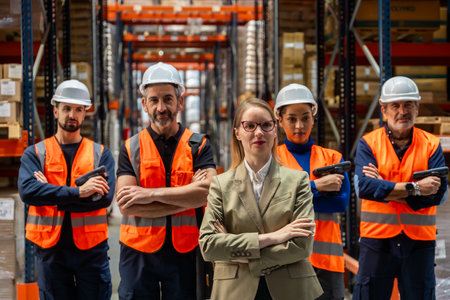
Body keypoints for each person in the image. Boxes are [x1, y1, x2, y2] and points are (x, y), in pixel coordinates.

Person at [199, 98, 323, 300]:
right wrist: (274, 237)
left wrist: (239, 254)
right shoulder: (221, 185)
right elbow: (209, 246)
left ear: (275, 131)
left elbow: (302, 245)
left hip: (290, 289)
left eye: (266, 125)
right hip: (235, 290)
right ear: (237, 132)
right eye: (249, 126)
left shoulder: (298, 180)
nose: (259, 132)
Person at [115, 62, 217, 300]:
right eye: (154, 100)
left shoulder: (199, 145)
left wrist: (149, 194)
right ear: (144, 104)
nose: (161, 107)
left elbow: (209, 192)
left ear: (180, 102)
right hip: (138, 251)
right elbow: (127, 204)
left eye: (168, 99)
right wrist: (190, 195)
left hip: (185, 251)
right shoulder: (130, 148)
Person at [18, 80, 115, 300]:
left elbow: (104, 199)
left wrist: (49, 193)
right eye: (67, 108)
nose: (73, 114)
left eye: (79, 109)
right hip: (51, 252)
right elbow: (28, 192)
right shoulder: (36, 154)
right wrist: (80, 192)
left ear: (85, 113)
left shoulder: (101, 154)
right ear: (55, 111)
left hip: (92, 251)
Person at [353, 76, 448, 299]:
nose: (402, 111)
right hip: (376, 241)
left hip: (419, 243)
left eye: (408, 105)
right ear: (384, 110)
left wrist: (385, 188)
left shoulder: (431, 145)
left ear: (417, 108)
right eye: (395, 105)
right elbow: (365, 187)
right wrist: (416, 188)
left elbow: (438, 193)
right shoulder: (369, 143)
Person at [274, 84, 350, 300]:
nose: (299, 126)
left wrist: (294, 195)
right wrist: (318, 186)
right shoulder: (273, 161)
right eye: (292, 119)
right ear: (280, 120)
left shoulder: (333, 158)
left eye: (305, 118)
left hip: (327, 261)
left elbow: (340, 204)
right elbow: (273, 202)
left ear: (313, 118)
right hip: (287, 259)